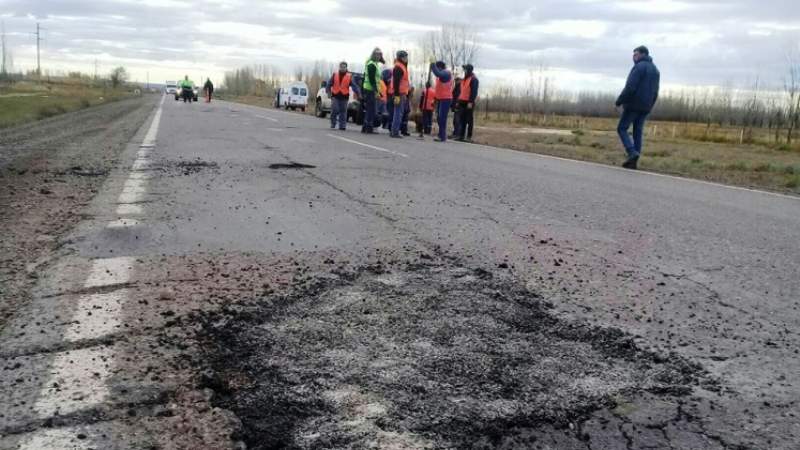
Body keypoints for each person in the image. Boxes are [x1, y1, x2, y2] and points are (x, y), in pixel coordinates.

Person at [616, 45, 660, 170]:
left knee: (622, 128)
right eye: (633, 54)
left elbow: (630, 87)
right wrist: (650, 106)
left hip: (633, 104)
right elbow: (656, 91)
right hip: (646, 106)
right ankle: (633, 162)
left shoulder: (639, 67)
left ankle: (632, 153)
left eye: (635, 54)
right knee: (637, 132)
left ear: (643, 54)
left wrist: (619, 101)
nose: (633, 57)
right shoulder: (656, 70)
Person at [327, 61, 360, 131]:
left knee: (343, 111)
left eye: (344, 67)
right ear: (339, 67)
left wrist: (358, 94)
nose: (342, 68)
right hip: (335, 95)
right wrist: (328, 92)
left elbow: (355, 86)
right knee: (335, 109)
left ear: (346, 68)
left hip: (344, 96)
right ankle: (333, 123)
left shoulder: (349, 76)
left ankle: (342, 125)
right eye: (341, 67)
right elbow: (329, 84)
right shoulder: (334, 74)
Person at [361, 47, 385, 134]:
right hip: (370, 89)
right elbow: (372, 80)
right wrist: (376, 91)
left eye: (380, 55)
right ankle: (369, 127)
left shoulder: (374, 64)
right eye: (377, 54)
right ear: (373, 55)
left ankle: (365, 127)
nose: (379, 56)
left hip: (369, 89)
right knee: (371, 110)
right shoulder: (371, 64)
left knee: (369, 109)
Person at [430, 61, 453, 142]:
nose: (436, 69)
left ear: (439, 67)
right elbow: (438, 89)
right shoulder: (441, 75)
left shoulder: (446, 73)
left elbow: (437, 73)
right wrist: (435, 100)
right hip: (440, 99)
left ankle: (442, 136)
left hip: (446, 99)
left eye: (437, 67)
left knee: (442, 118)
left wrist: (432, 65)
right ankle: (441, 135)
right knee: (439, 118)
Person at [455, 64, 479, 142]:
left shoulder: (474, 79)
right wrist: (458, 101)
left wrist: (470, 102)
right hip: (462, 101)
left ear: (469, 70)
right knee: (462, 119)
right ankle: (461, 136)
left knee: (469, 120)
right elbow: (462, 91)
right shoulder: (464, 79)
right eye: (464, 69)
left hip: (469, 102)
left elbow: (474, 92)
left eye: (465, 69)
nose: (464, 70)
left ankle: (469, 137)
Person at [390, 50, 410, 138]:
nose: (406, 58)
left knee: (398, 112)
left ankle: (395, 131)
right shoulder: (399, 67)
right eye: (405, 57)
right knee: (398, 113)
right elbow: (396, 82)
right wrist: (397, 95)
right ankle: (395, 132)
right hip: (400, 93)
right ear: (401, 58)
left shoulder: (402, 66)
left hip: (402, 93)